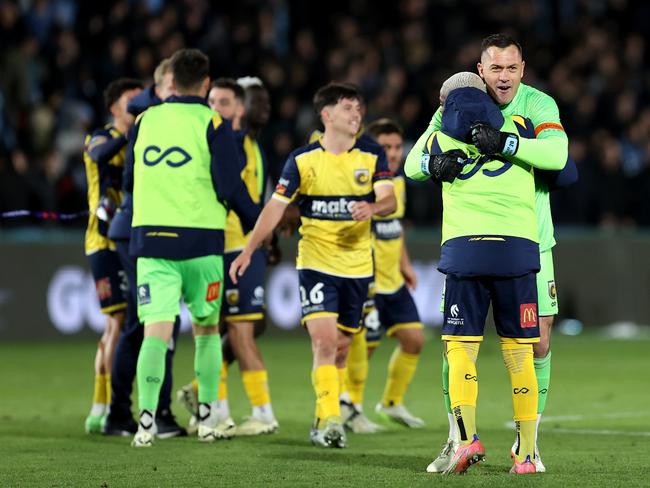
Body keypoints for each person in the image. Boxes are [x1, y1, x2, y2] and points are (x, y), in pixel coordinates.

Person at [407, 33, 572, 473]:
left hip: (533, 239)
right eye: (495, 68)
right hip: (494, 242)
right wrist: (430, 165)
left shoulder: (538, 105)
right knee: (458, 345)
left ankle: (527, 442)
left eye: (512, 68)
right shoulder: (454, 107)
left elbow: (559, 156)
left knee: (536, 343)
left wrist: (508, 144)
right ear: (481, 71)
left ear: (523, 70)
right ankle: (457, 436)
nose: (504, 77)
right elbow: (413, 163)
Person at [229, 82, 396, 448]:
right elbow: (274, 209)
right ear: (327, 115)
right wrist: (247, 249)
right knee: (323, 340)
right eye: (349, 108)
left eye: (359, 109)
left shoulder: (370, 157)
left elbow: (389, 200)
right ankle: (332, 420)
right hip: (316, 263)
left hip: (356, 268)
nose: (357, 115)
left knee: (340, 347)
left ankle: (323, 416)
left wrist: (372, 207)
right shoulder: (302, 160)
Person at [126, 48, 260, 447]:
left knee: (156, 333)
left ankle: (145, 423)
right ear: (205, 84)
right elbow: (229, 185)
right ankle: (205, 420)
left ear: (170, 80)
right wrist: (260, 224)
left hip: (151, 240)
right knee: (205, 331)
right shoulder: (213, 123)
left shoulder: (144, 120)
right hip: (201, 242)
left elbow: (131, 179)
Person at [178, 77, 279, 436]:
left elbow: (249, 196)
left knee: (239, 331)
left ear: (237, 108)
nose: (216, 109)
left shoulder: (247, 144)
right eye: (212, 101)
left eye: (225, 102)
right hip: (217, 246)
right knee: (216, 329)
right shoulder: (229, 143)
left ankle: (256, 411)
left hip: (239, 247)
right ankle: (215, 407)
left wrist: (263, 236)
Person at [103, 58, 185, 438]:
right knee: (149, 324)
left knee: (154, 323)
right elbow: (133, 178)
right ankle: (138, 413)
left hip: (151, 229)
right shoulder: (149, 116)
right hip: (138, 229)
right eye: (171, 88)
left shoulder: (167, 118)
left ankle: (130, 411)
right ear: (162, 87)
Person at [341, 118, 425, 434]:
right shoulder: (361, 182)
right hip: (368, 280)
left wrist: (405, 264)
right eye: (385, 147)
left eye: (396, 147)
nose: (392, 153)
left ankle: (391, 403)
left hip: (393, 279)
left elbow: (395, 228)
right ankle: (351, 407)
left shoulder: (397, 183)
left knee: (414, 339)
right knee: (367, 345)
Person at [82, 77, 143, 434]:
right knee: (117, 323)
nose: (136, 106)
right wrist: (130, 134)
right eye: (130, 101)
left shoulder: (140, 143)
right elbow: (98, 156)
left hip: (129, 240)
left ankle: (102, 405)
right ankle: (102, 405)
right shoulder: (101, 137)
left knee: (117, 325)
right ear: (113, 108)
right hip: (102, 242)